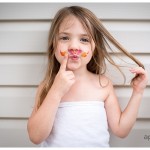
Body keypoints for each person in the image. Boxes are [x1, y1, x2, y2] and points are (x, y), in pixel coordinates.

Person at [27, 6, 148, 147]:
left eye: (84, 39)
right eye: (65, 38)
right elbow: (35, 137)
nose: (73, 46)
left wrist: (138, 92)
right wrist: (56, 91)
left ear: (93, 47)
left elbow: (121, 130)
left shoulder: (103, 84)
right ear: (54, 45)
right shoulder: (47, 86)